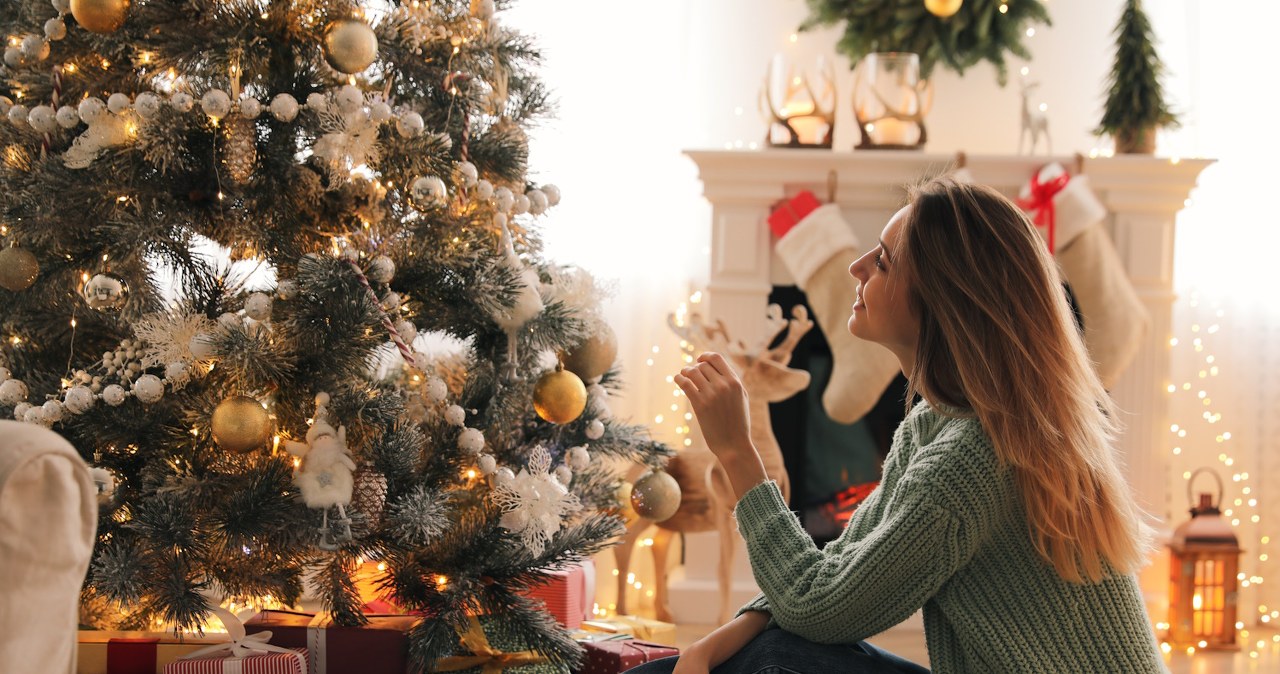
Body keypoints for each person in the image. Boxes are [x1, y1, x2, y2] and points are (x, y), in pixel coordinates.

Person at [628, 177, 1166, 673]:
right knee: (761, 651)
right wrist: (711, 645)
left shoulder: (971, 460)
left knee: (781, 658)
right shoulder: (939, 424)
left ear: (942, 298)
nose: (856, 267)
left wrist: (738, 454)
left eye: (883, 261)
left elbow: (817, 609)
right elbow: (836, 568)